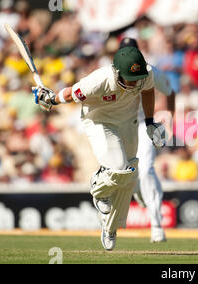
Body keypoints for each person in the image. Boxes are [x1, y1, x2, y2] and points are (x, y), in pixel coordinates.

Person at [32, 46, 166, 251]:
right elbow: (69, 94)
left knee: (130, 175)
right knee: (119, 167)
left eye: (136, 77)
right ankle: (98, 187)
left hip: (128, 122)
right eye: (129, 78)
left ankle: (110, 228)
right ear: (117, 72)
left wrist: (149, 122)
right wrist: (50, 99)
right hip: (100, 122)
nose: (133, 83)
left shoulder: (144, 74)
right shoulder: (99, 80)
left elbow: (148, 92)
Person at [119, 37, 176, 243]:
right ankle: (138, 191)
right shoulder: (108, 73)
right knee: (124, 173)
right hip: (118, 128)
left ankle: (156, 225)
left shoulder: (150, 71)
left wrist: (168, 118)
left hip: (144, 125)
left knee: (146, 169)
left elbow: (169, 91)